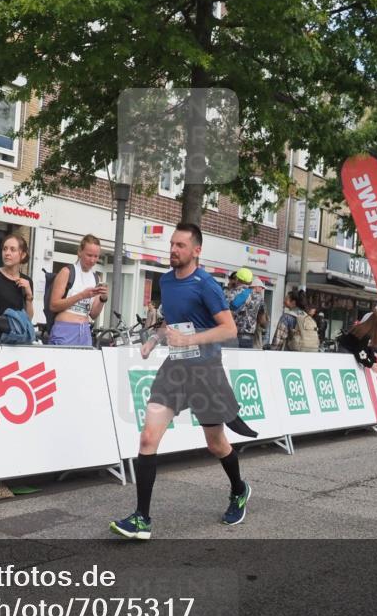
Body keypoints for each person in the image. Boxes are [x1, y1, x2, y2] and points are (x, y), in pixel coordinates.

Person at [110, 223, 256, 540]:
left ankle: (239, 489)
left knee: (215, 443)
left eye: (180, 245)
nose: (173, 250)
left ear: (196, 251)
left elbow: (229, 330)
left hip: (206, 370)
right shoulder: (166, 280)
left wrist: (189, 341)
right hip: (175, 368)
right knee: (148, 437)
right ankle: (142, 519)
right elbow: (171, 322)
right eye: (172, 244)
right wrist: (155, 337)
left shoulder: (207, 285)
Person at [48, 234, 108, 346]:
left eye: (96, 256)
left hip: (84, 331)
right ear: (80, 252)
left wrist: (102, 298)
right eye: (89, 255)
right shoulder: (67, 272)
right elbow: (54, 305)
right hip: (65, 329)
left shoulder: (95, 278)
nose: (92, 260)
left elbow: (93, 314)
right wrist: (81, 296)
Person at [336, 299, 377, 373]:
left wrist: (373, 361)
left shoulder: (372, 316)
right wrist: (371, 364)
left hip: (351, 348)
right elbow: (361, 351)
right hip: (347, 349)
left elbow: (367, 347)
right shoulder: (373, 322)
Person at [226, 267, 263, 348]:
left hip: (233, 335)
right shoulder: (258, 297)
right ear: (250, 281)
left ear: (237, 279)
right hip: (249, 336)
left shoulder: (231, 294)